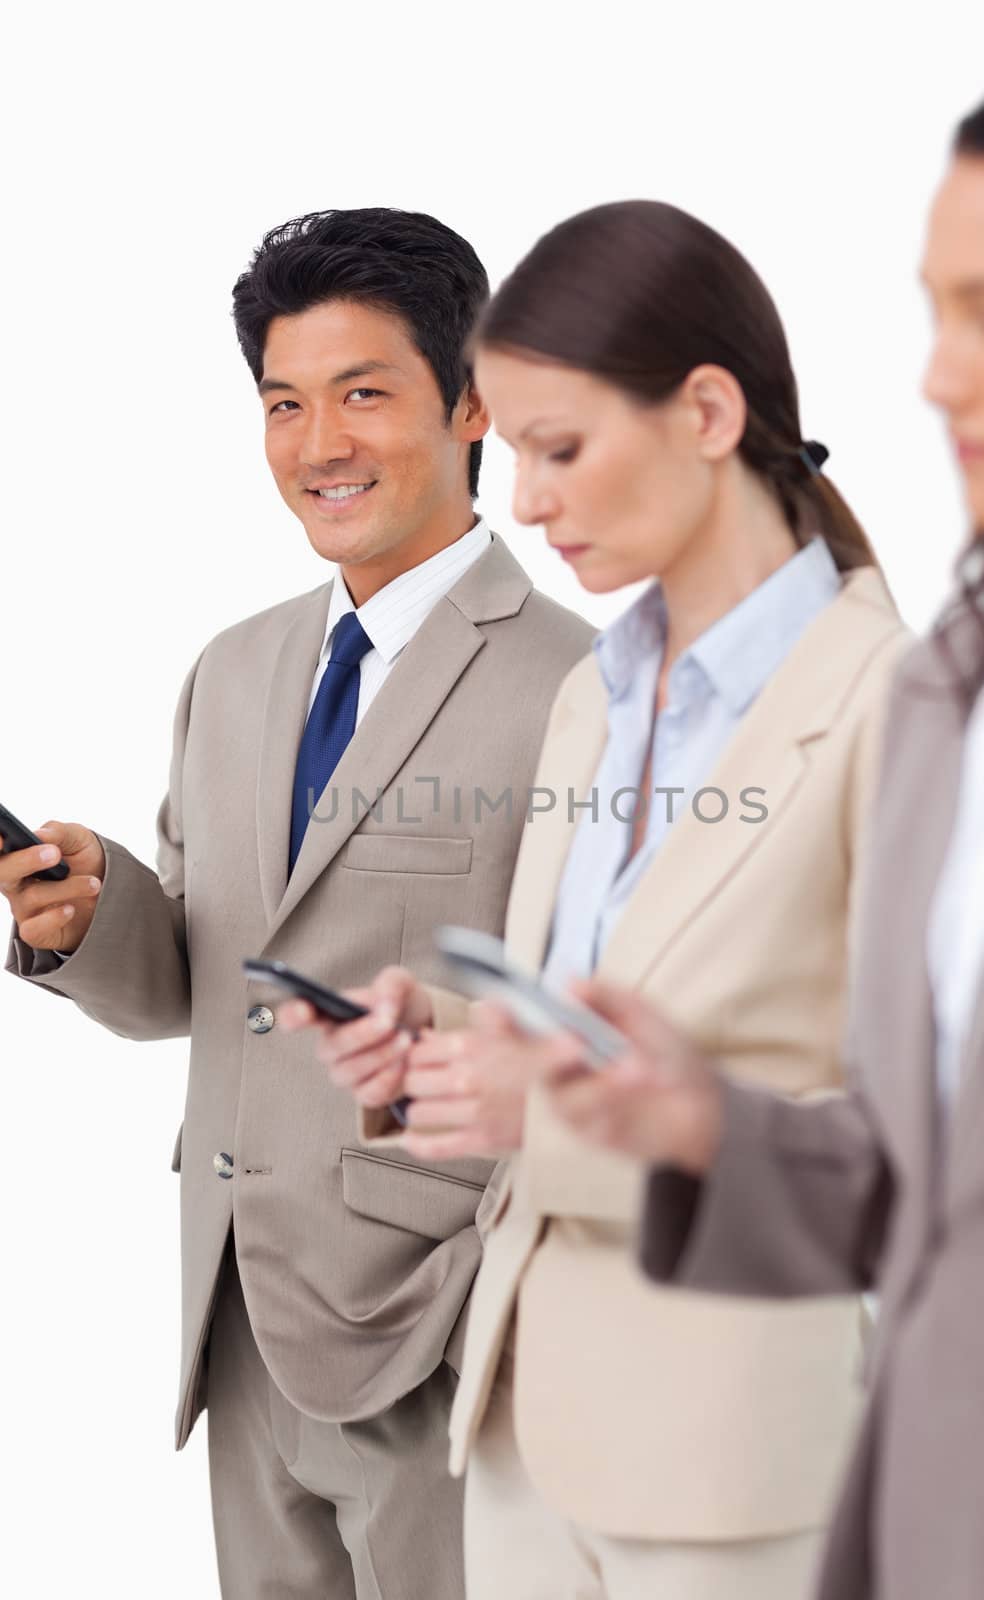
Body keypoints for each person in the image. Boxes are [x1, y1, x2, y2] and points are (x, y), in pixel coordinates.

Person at [289, 199, 911, 1599]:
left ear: (704, 411)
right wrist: (441, 1036)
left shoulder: (900, 708)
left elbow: (925, 1152)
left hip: (733, 1472)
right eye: (512, 456)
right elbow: (589, 1016)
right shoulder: (596, 694)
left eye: (559, 451)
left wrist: (554, 1118)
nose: (524, 503)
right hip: (515, 1438)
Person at [0, 207, 593, 1598]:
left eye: (364, 393)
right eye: (284, 403)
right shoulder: (235, 668)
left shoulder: (588, 689)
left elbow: (596, 1036)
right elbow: (198, 991)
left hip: (439, 1344)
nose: (319, 444)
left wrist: (480, 1330)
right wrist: (90, 926)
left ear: (471, 405)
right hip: (235, 1323)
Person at [536, 56, 984, 1600]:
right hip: (926, 1526)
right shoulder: (969, 689)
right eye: (936, 314)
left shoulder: (873, 680)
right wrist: (705, 1121)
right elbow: (940, 1192)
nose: (937, 378)